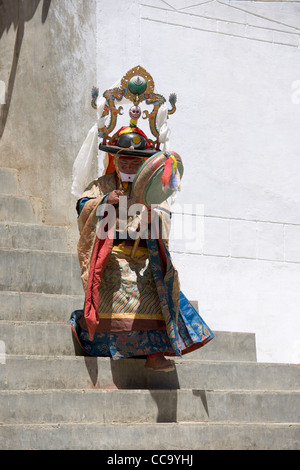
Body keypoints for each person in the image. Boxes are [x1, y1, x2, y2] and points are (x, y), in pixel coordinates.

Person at [69, 67, 214, 372]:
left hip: (144, 254)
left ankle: (153, 352)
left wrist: (151, 215)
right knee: (113, 279)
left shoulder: (151, 190)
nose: (129, 163)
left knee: (157, 281)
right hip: (112, 254)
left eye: (136, 160)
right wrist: (103, 203)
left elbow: (164, 215)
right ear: (115, 158)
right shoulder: (103, 184)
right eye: (124, 158)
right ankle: (93, 335)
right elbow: (83, 205)